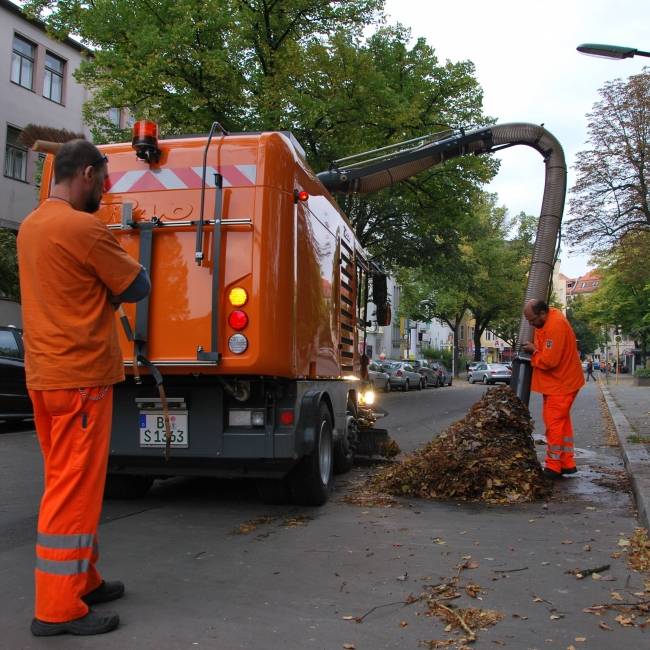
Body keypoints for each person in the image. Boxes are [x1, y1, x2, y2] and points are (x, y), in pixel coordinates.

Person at [17, 140, 150, 636]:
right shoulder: (84, 227)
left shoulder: (31, 227)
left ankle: (84, 580)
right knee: (72, 493)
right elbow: (138, 286)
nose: (109, 188)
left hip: (45, 377)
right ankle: (57, 608)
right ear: (88, 174)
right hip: (82, 380)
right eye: (107, 178)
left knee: (69, 484)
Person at [522, 299, 585, 479]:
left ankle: (553, 466)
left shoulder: (555, 326)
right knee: (561, 423)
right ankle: (566, 463)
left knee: (554, 424)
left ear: (542, 313)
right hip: (560, 383)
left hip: (561, 384)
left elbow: (550, 361)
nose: (530, 324)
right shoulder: (551, 318)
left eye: (532, 320)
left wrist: (534, 350)